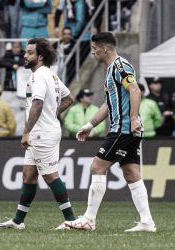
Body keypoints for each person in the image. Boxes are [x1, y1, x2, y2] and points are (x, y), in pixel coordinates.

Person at [64, 32, 156, 232]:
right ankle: (147, 222)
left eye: (94, 48)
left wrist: (132, 119)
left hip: (123, 129)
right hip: (126, 129)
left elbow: (135, 90)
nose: (93, 52)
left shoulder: (121, 65)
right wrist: (90, 125)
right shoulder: (110, 70)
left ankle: (89, 219)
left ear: (104, 48)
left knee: (97, 167)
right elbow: (109, 104)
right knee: (131, 173)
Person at [0, 37, 76, 230]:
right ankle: (18, 221)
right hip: (45, 130)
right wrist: (52, 113)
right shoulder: (51, 75)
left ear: (40, 56)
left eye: (29, 52)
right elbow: (69, 98)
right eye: (26, 51)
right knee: (28, 176)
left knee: (50, 176)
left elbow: (38, 103)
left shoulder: (38, 76)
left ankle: (71, 220)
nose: (25, 55)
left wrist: (26, 132)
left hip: (41, 133)